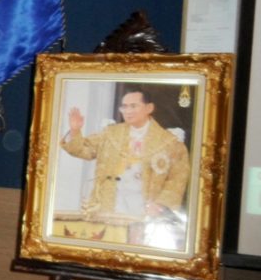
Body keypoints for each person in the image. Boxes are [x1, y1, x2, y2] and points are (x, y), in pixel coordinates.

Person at [61, 88, 190, 248]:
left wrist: (160, 204)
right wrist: (75, 131)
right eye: (124, 106)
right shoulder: (110, 133)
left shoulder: (169, 141)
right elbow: (84, 150)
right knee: (105, 247)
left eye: (133, 106)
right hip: (108, 203)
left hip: (142, 206)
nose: (127, 111)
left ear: (149, 108)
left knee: (134, 248)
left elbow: (178, 177)